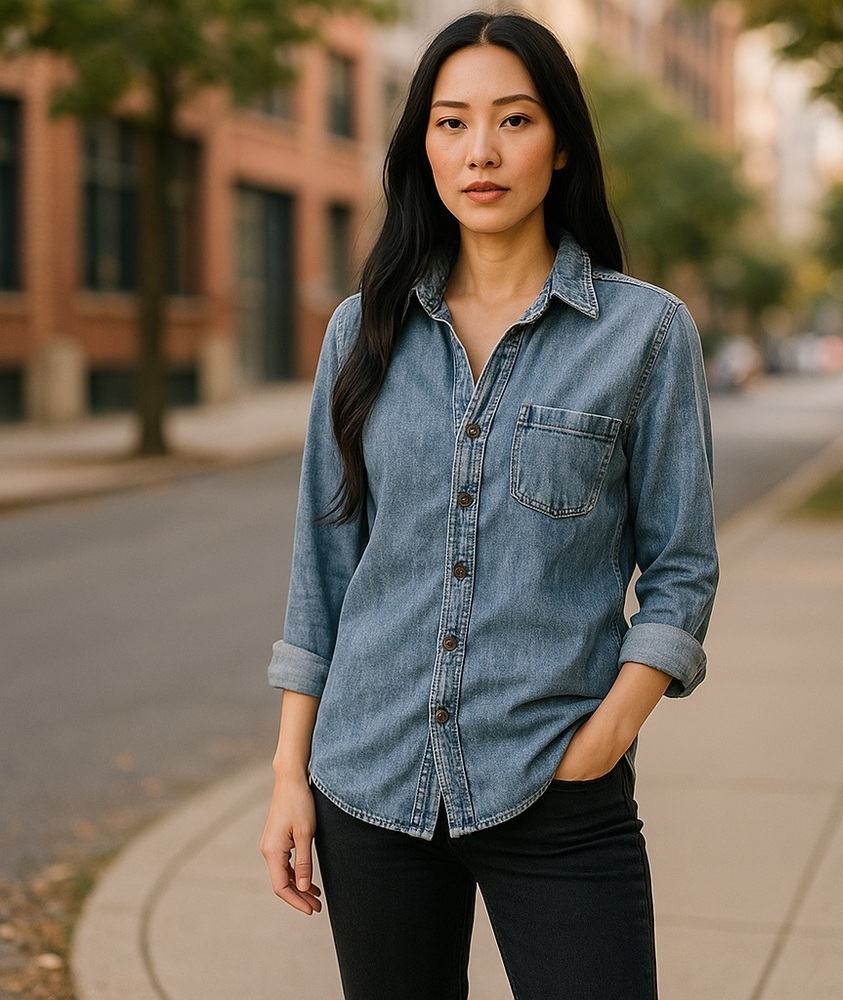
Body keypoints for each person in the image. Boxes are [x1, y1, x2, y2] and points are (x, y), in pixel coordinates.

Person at [260, 10, 718, 1000]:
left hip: (558, 790)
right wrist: (289, 773)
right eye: (450, 121)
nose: (480, 151)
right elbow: (323, 571)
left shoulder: (644, 335)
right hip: (369, 784)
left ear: (560, 148)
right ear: (421, 144)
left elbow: (681, 572)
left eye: (513, 121)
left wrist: (602, 740)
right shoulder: (360, 333)